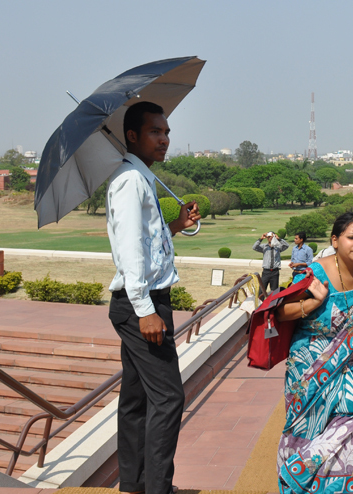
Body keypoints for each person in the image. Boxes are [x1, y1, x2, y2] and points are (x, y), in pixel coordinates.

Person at [106, 101, 200, 494]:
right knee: (168, 398)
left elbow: (148, 246)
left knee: (137, 398)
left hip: (144, 301)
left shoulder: (142, 178)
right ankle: (156, 488)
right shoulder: (130, 181)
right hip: (140, 304)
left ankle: (134, 485)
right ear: (132, 136)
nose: (164, 140)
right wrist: (146, 310)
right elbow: (130, 254)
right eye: (155, 132)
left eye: (166, 133)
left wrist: (176, 225)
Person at [276, 212, 353, 493]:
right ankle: (300, 481)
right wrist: (313, 303)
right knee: (312, 435)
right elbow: (281, 312)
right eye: (352, 237)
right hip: (310, 367)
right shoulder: (313, 273)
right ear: (335, 240)